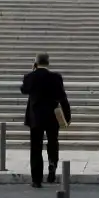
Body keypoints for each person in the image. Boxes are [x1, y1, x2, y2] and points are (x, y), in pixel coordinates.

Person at [21, 53, 71, 188]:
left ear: (36, 63)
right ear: (48, 63)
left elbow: (24, 90)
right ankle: (52, 164)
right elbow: (62, 98)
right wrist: (67, 116)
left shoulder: (29, 77)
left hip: (35, 116)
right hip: (52, 116)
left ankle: (36, 180)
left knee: (36, 147)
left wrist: (33, 71)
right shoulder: (56, 77)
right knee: (53, 142)